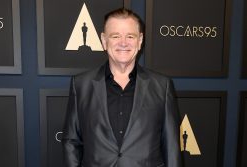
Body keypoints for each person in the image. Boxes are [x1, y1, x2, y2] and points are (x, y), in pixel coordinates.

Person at [62, 8, 182, 167]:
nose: (123, 42)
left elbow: (171, 146)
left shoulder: (162, 86)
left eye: (130, 36)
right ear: (104, 41)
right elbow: (71, 140)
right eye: (115, 36)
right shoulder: (81, 85)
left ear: (140, 41)